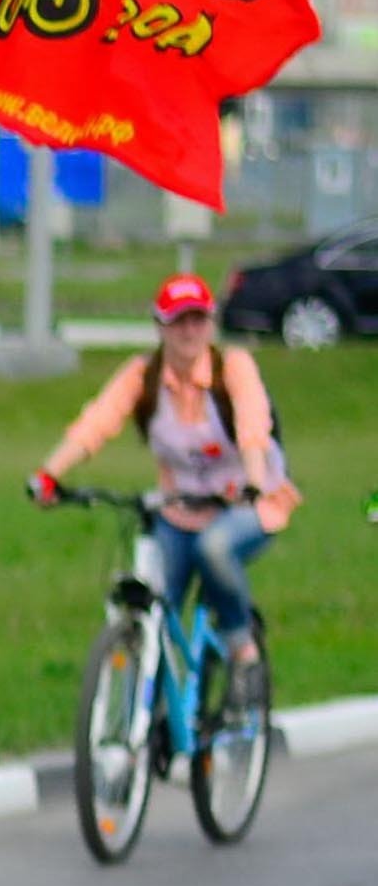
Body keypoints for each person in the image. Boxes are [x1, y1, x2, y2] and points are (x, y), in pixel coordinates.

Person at [30, 271, 294, 662]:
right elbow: (96, 424)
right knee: (151, 597)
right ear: (159, 326)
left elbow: (253, 426)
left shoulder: (232, 367)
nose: (189, 331)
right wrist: (49, 474)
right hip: (179, 510)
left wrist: (253, 482)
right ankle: (150, 704)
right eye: (178, 321)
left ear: (211, 322)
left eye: (197, 319)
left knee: (215, 549)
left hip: (244, 505)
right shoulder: (143, 376)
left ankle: (242, 647)